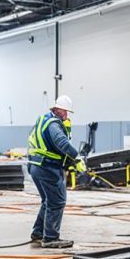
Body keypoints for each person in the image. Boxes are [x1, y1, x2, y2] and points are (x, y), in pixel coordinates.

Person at [27, 95, 82, 248]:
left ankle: (38, 233)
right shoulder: (54, 124)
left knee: (47, 201)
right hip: (47, 167)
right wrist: (77, 157)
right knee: (57, 201)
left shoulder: (43, 119)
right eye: (65, 112)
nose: (67, 115)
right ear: (58, 109)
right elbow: (61, 142)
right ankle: (50, 238)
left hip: (35, 165)